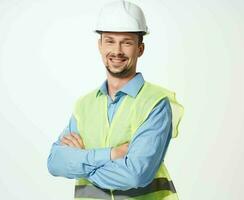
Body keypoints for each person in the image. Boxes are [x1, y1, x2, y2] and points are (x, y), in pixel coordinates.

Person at [47, 1, 184, 199]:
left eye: (126, 42)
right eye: (110, 41)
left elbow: (135, 174)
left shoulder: (155, 103)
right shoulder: (84, 105)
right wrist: (111, 154)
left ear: (140, 48)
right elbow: (54, 162)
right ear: (100, 45)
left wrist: (81, 162)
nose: (117, 51)